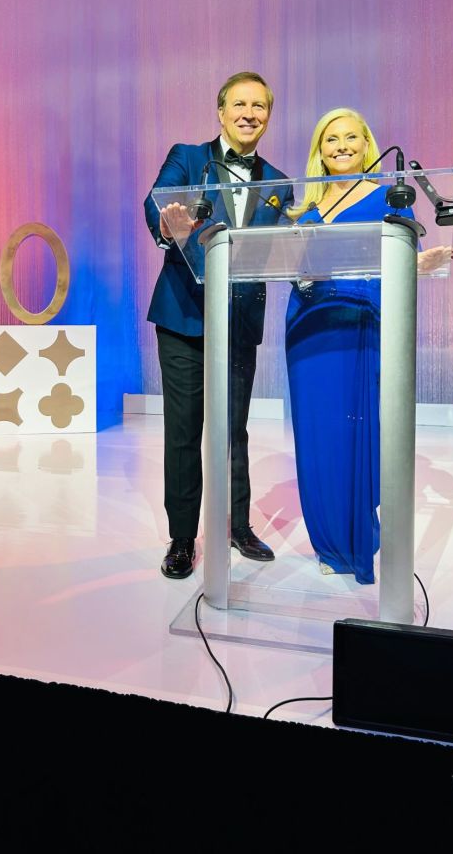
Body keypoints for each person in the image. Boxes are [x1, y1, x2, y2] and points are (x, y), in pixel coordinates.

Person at [285, 108, 453, 584]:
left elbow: (397, 261)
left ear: (366, 144)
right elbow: (292, 267)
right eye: (330, 140)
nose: (340, 146)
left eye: (350, 138)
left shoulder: (390, 199)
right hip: (309, 326)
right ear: (319, 151)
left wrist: (417, 265)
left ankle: (358, 536)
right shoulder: (305, 208)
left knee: (357, 428)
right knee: (317, 433)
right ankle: (329, 539)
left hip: (362, 323)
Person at [144, 72, 293, 578]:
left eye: (260, 106)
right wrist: (171, 222)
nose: (249, 113)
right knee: (184, 432)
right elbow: (157, 202)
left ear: (268, 115)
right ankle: (182, 539)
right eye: (240, 104)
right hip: (184, 317)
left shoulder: (279, 181)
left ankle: (237, 525)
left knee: (233, 431)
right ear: (221, 111)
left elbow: (280, 246)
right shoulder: (189, 156)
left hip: (238, 320)